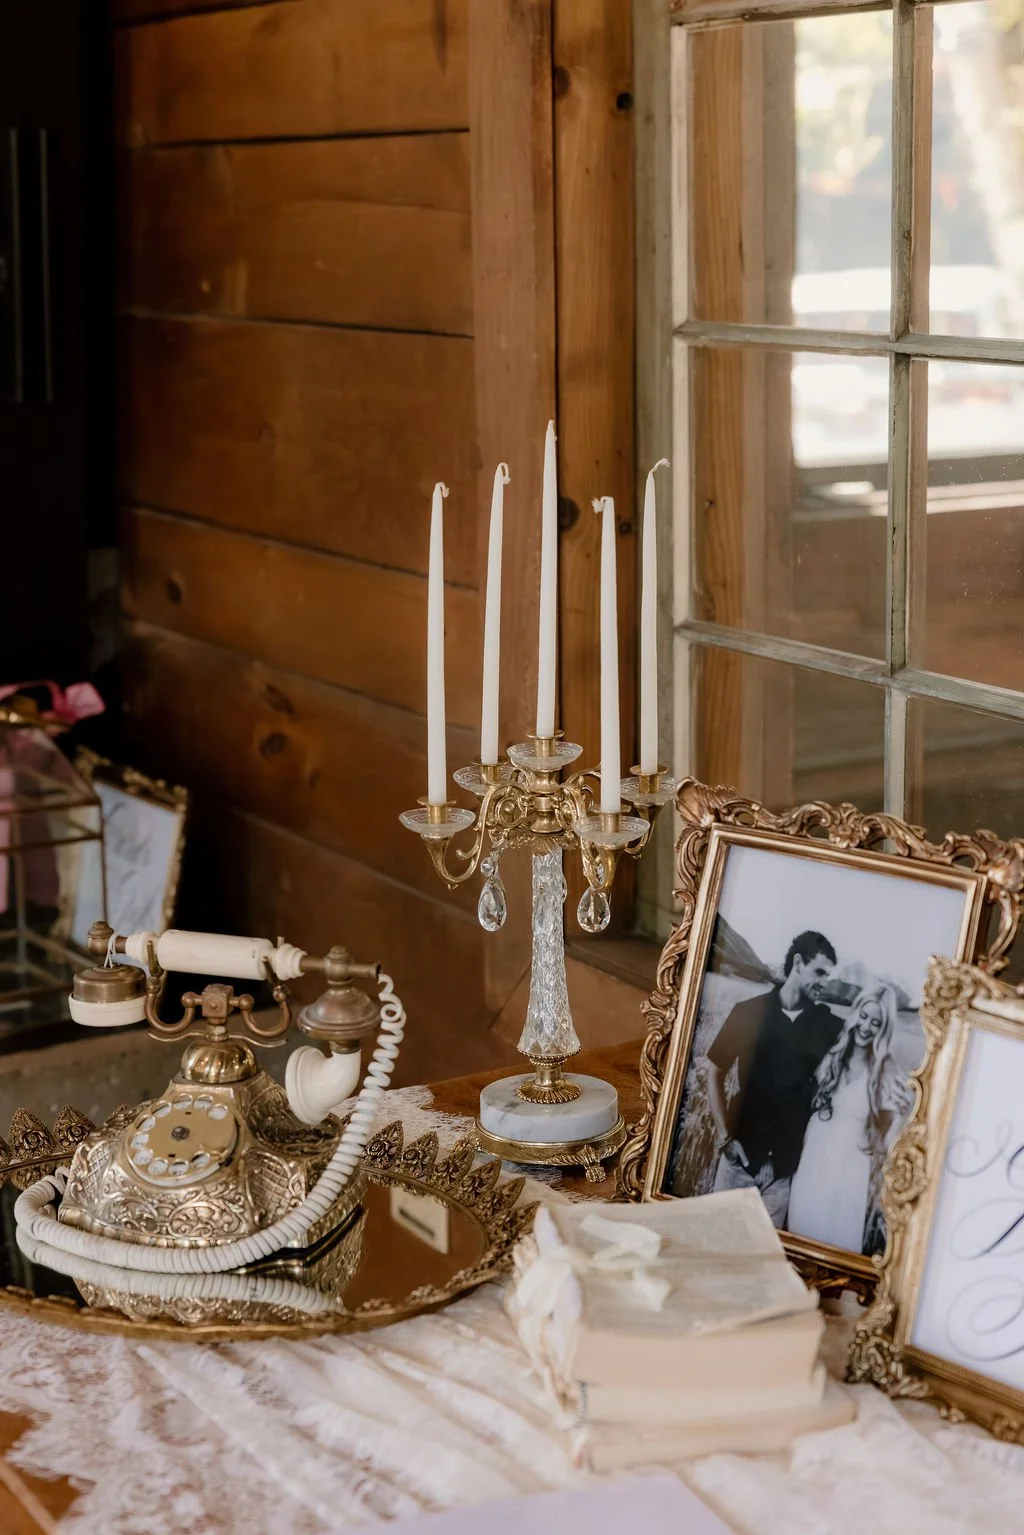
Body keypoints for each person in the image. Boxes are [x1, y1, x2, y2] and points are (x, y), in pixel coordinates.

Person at [706, 931, 841, 1227]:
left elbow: (867, 1036)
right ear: (798, 963)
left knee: (766, 1251)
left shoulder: (827, 1025)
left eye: (828, 976)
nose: (824, 982)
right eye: (819, 972)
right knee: (715, 1240)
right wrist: (724, 1138)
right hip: (738, 1162)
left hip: (782, 1175)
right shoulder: (748, 1012)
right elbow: (715, 1071)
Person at [788, 984, 912, 1254]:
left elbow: (888, 1133)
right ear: (855, 1014)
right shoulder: (832, 1052)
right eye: (864, 1017)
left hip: (850, 1167)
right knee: (800, 1231)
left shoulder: (883, 1070)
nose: (866, 1027)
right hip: (814, 1157)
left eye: (876, 1023)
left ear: (883, 1029)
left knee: (838, 1238)